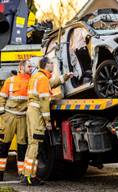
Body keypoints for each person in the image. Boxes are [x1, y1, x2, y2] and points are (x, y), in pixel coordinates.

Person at [21, 57, 73, 186]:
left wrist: (64, 77)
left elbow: (51, 83)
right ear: (45, 65)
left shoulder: (38, 77)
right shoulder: (42, 78)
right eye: (51, 63)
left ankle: (27, 174)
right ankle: (29, 177)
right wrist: (47, 120)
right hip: (37, 113)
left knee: (32, 144)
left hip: (32, 111)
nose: (52, 65)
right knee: (35, 144)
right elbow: (44, 101)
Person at [0, 60, 33, 181]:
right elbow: (2, 97)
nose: (31, 68)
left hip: (22, 117)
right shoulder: (10, 80)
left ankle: (21, 174)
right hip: (9, 116)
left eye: (31, 66)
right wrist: (2, 113)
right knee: (4, 145)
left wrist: (62, 78)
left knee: (22, 146)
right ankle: (0, 173)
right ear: (21, 67)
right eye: (28, 66)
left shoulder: (31, 81)